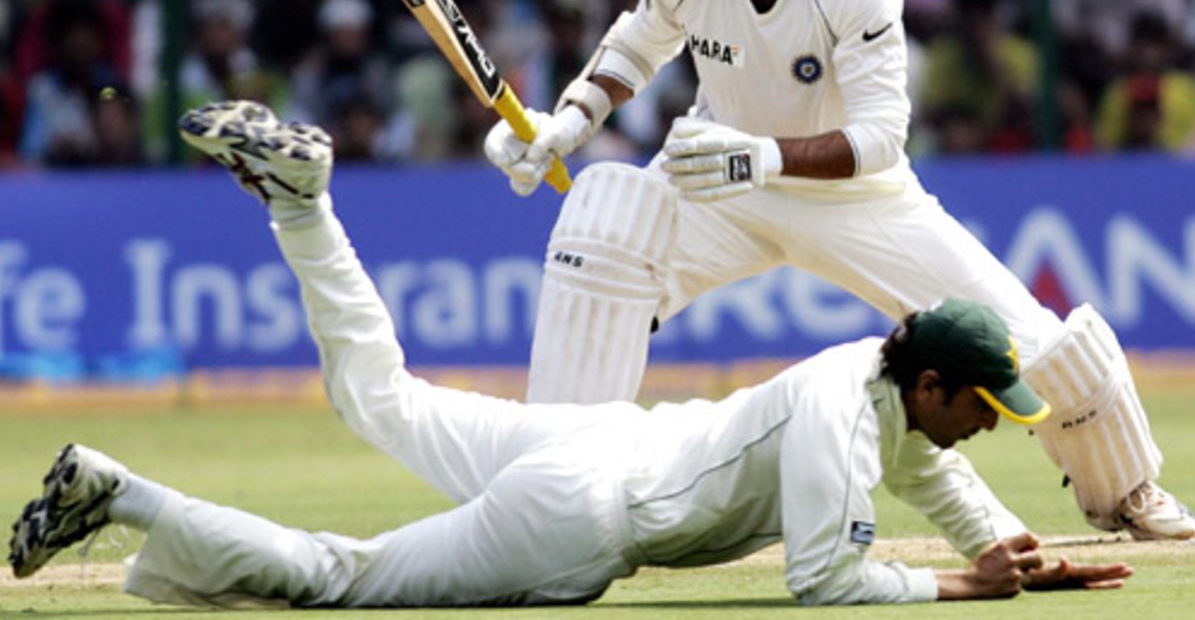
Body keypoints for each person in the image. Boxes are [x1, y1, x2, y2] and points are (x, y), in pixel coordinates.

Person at [8, 100, 1133, 607]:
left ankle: (301, 205)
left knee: (378, 395)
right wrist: (956, 585)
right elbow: (828, 583)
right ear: (933, 381)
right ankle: (122, 492)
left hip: (584, 439)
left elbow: (928, 466)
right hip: (579, 510)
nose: (995, 420)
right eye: (988, 403)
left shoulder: (873, 384)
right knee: (337, 578)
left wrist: (1017, 548)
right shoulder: (844, 414)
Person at [482, 0, 1195, 541]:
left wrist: (762, 156)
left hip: (856, 198)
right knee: (601, 239)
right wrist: (568, 122)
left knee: (1037, 348)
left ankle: (1128, 490)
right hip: (716, 186)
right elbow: (635, 47)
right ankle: (548, 496)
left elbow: (883, 137)